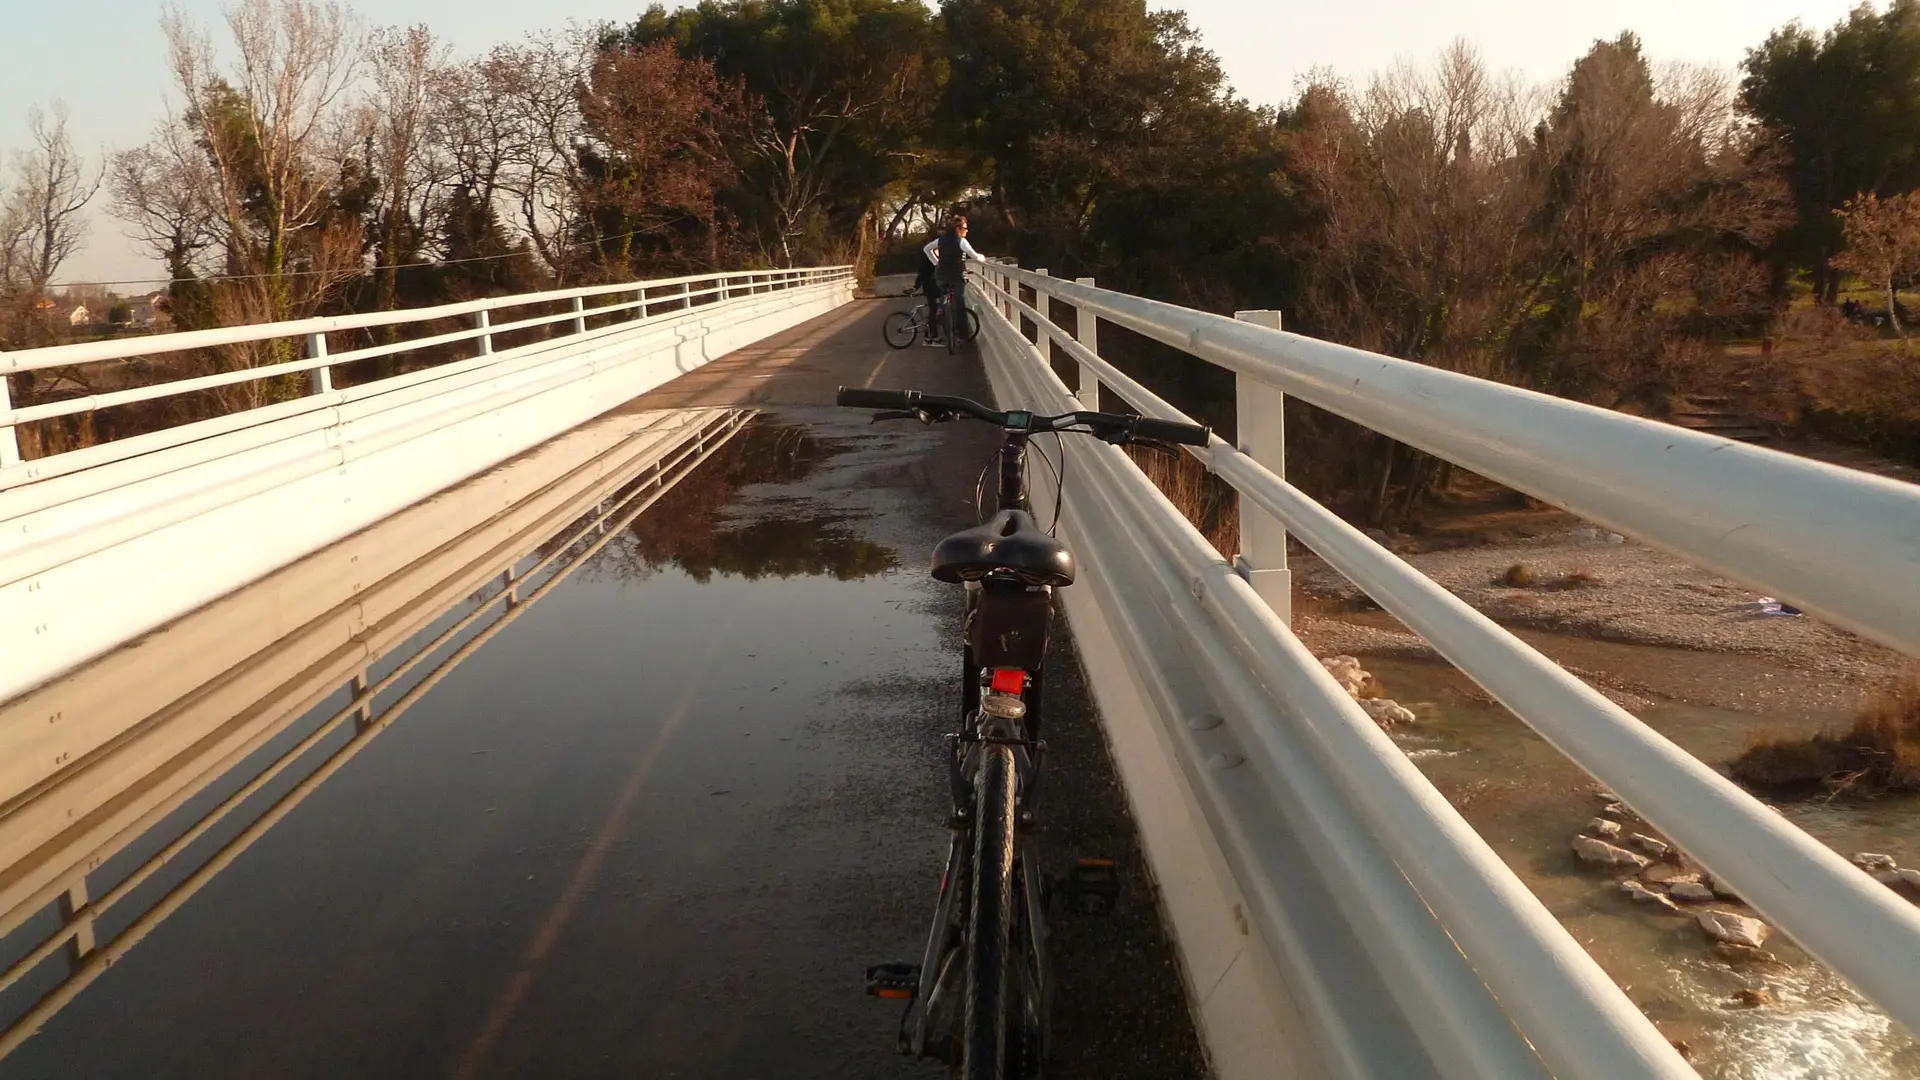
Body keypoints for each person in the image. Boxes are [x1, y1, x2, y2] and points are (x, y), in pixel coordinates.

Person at [923, 215, 987, 346]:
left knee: (943, 298)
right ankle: (962, 335)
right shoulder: (961, 241)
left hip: (941, 276)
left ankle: (940, 315)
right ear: (958, 228)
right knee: (959, 304)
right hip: (957, 276)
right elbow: (975, 257)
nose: (966, 231)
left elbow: (926, 249)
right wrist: (984, 258)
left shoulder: (941, 239)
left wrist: (936, 262)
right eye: (965, 228)